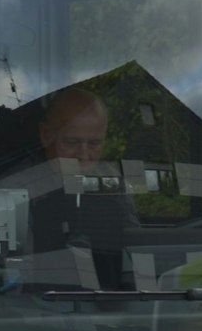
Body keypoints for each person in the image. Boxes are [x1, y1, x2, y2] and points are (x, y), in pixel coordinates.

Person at [9, 88, 139, 289]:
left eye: (95, 143)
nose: (83, 154)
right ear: (46, 135)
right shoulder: (18, 188)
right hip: (41, 303)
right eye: (72, 142)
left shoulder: (111, 181)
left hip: (108, 300)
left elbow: (135, 248)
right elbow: (15, 270)